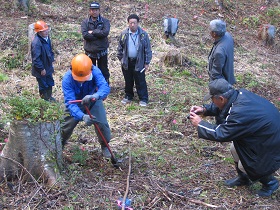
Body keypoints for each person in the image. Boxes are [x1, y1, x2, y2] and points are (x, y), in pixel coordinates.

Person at [189, 78, 280, 197]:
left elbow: (221, 133)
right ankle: (243, 178)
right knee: (234, 148)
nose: (212, 101)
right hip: (264, 135)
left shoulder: (239, 113)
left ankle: (270, 183)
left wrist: (200, 124)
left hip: (269, 142)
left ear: (220, 98)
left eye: (212, 99)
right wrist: (205, 109)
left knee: (247, 164)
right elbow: (225, 107)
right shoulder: (238, 95)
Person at [61, 53, 112, 158]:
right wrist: (82, 116)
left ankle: (105, 145)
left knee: (102, 123)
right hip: (75, 103)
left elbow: (104, 87)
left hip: (93, 100)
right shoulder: (67, 79)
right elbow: (70, 103)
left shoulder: (95, 71)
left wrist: (96, 96)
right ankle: (59, 144)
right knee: (65, 126)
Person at [117, 14, 152, 107]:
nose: (132, 25)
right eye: (131, 23)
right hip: (127, 61)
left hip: (139, 61)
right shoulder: (124, 34)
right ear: (128, 23)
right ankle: (128, 96)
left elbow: (148, 49)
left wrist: (147, 62)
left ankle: (143, 98)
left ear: (138, 23)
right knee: (128, 80)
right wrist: (121, 59)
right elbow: (119, 48)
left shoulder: (143, 35)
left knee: (140, 80)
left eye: (134, 23)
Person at [81, 2, 110, 84]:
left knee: (103, 69)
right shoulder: (85, 22)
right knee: (90, 70)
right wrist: (99, 34)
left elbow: (105, 33)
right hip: (90, 51)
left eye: (96, 10)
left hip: (102, 50)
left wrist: (93, 32)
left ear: (99, 10)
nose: (94, 12)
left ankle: (105, 85)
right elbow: (85, 35)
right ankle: (92, 86)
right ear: (90, 11)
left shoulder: (105, 21)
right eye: (92, 10)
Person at [31, 20, 56, 101]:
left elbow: (50, 50)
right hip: (41, 69)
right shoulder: (36, 43)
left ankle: (49, 97)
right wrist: (41, 69)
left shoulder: (47, 38)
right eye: (43, 31)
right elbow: (36, 59)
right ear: (38, 32)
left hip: (48, 65)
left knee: (49, 82)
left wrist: (52, 60)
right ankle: (44, 101)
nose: (46, 32)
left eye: (46, 30)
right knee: (43, 85)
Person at [208, 19, 235, 85]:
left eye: (210, 30)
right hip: (228, 76)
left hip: (222, 84)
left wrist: (213, 86)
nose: (209, 31)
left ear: (214, 34)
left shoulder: (219, 52)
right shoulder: (228, 36)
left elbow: (216, 74)